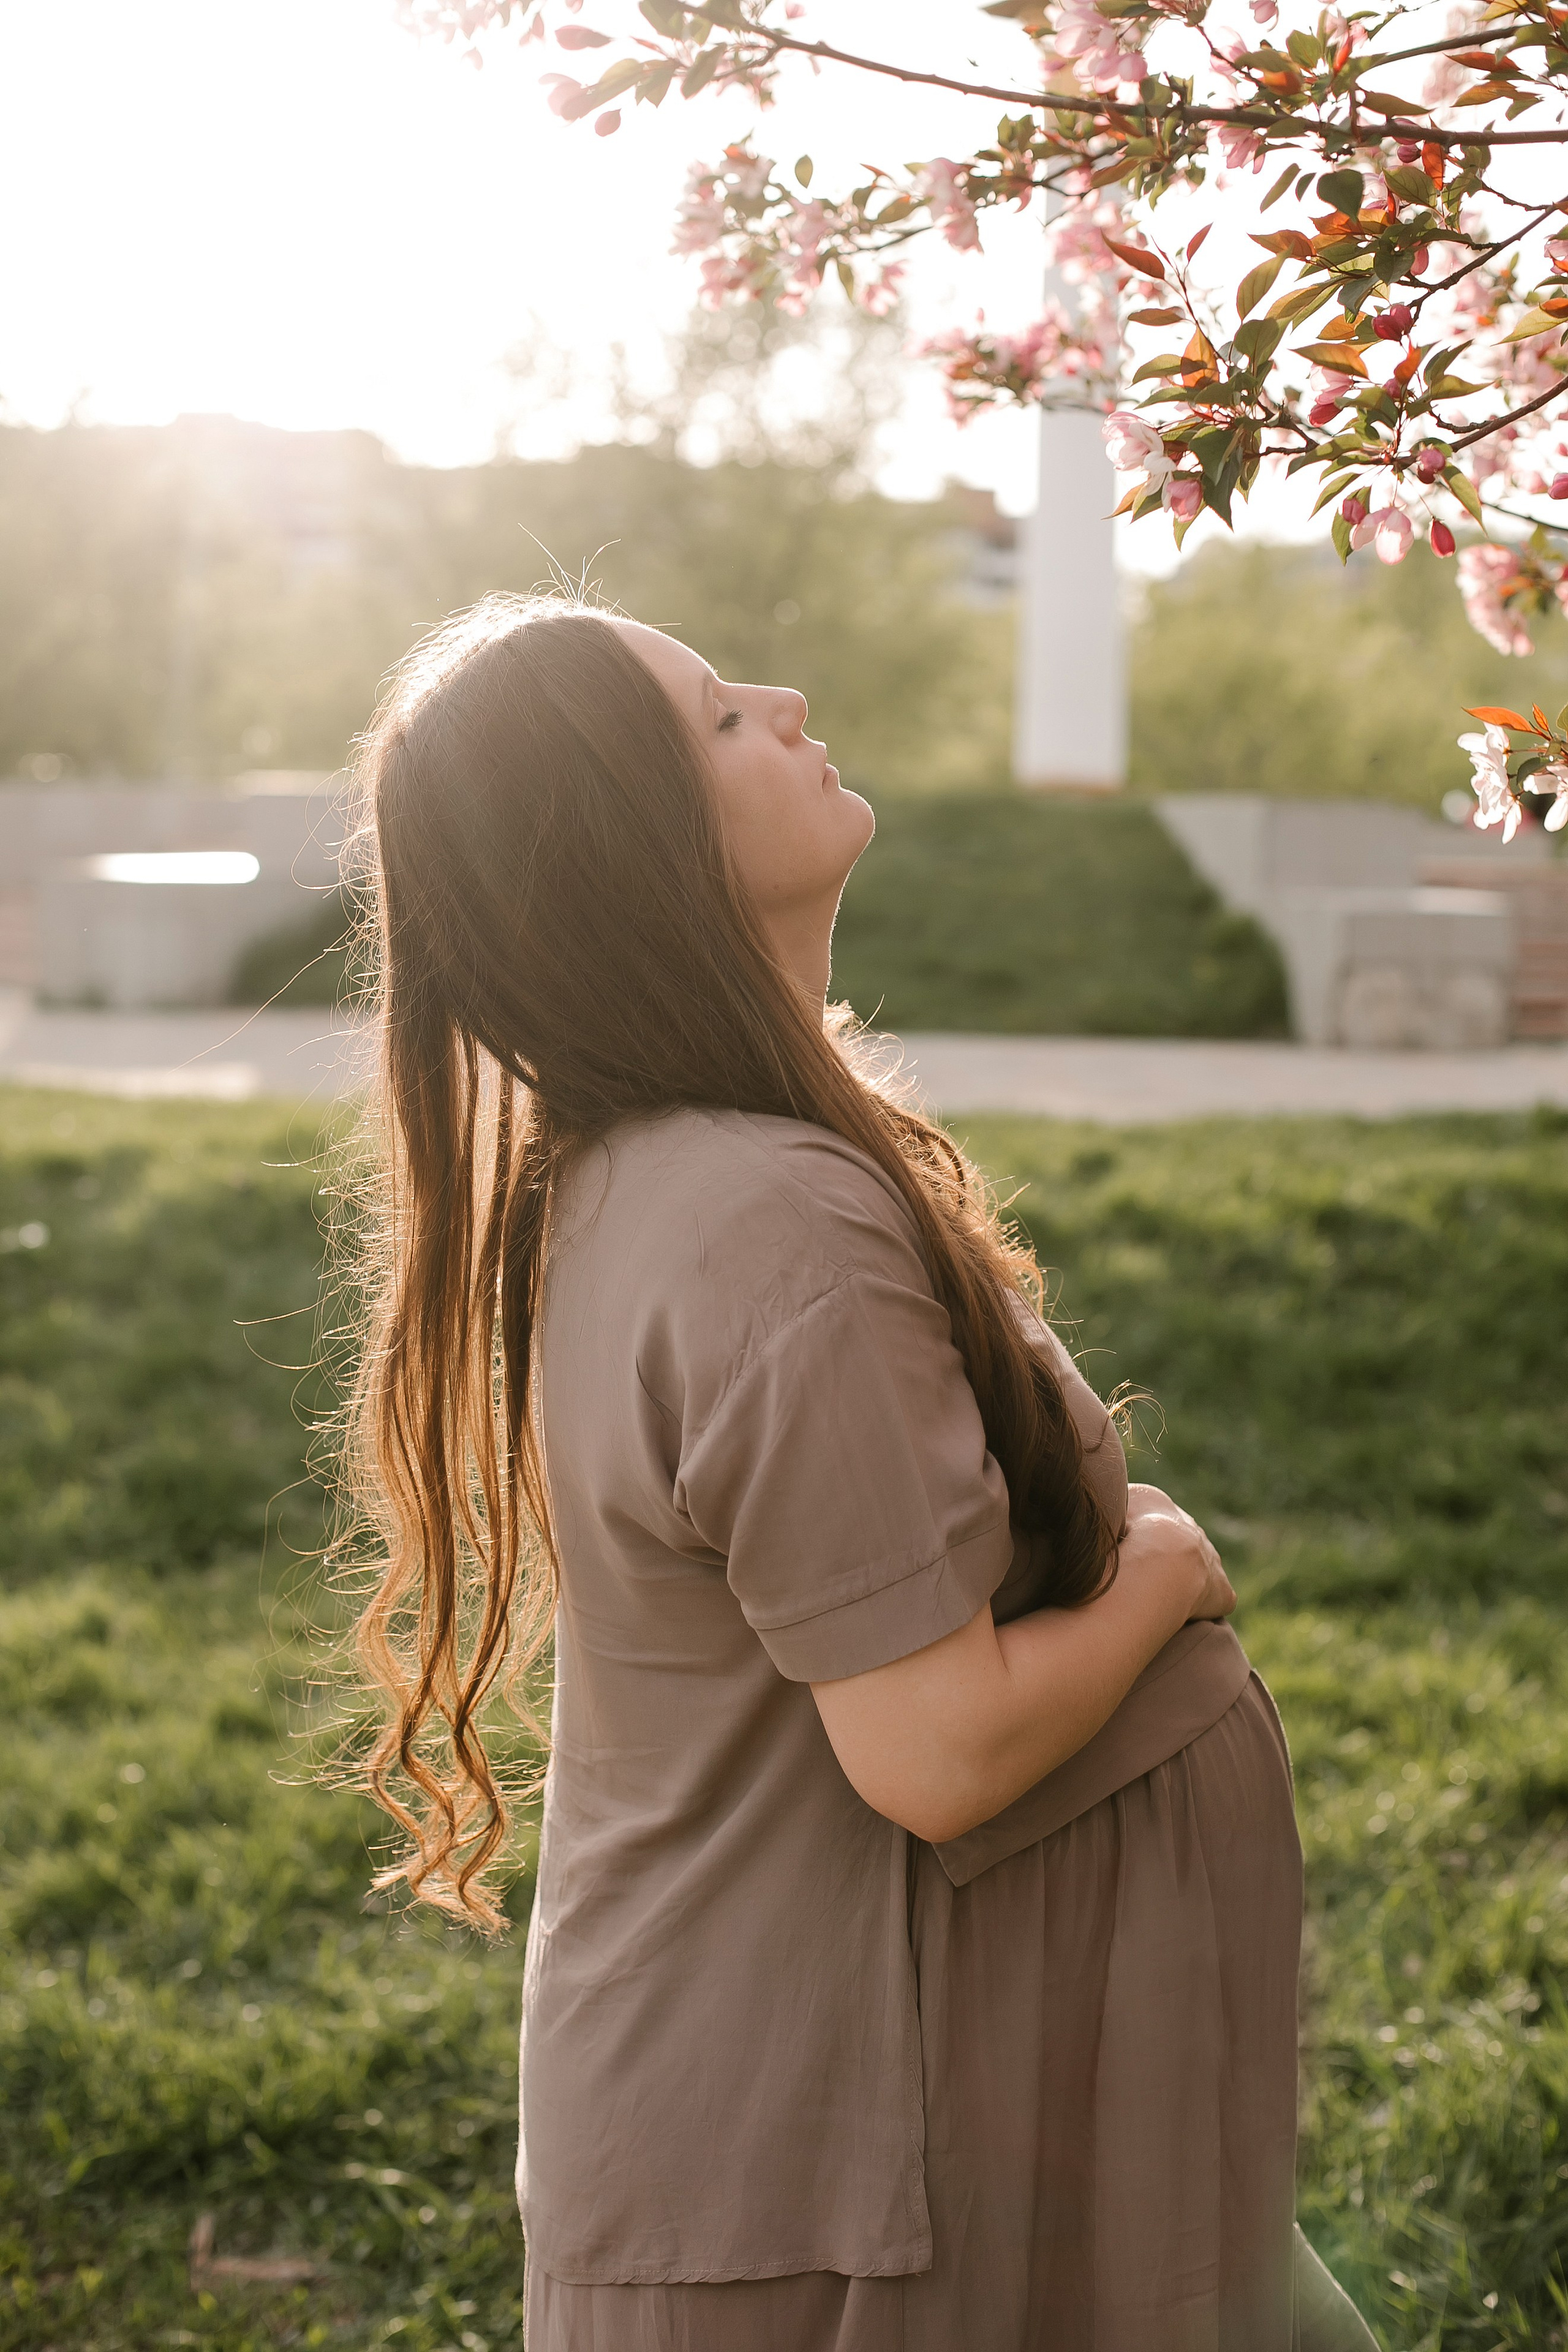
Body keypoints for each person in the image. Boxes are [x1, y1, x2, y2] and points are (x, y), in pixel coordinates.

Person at [341, 594, 1378, 2351]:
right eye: (719, 721)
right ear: (633, 851)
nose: (788, 697)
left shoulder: (682, 1173)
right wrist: (1168, 1575)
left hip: (917, 2127)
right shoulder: (762, 1224)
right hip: (844, 2186)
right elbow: (941, 1746)